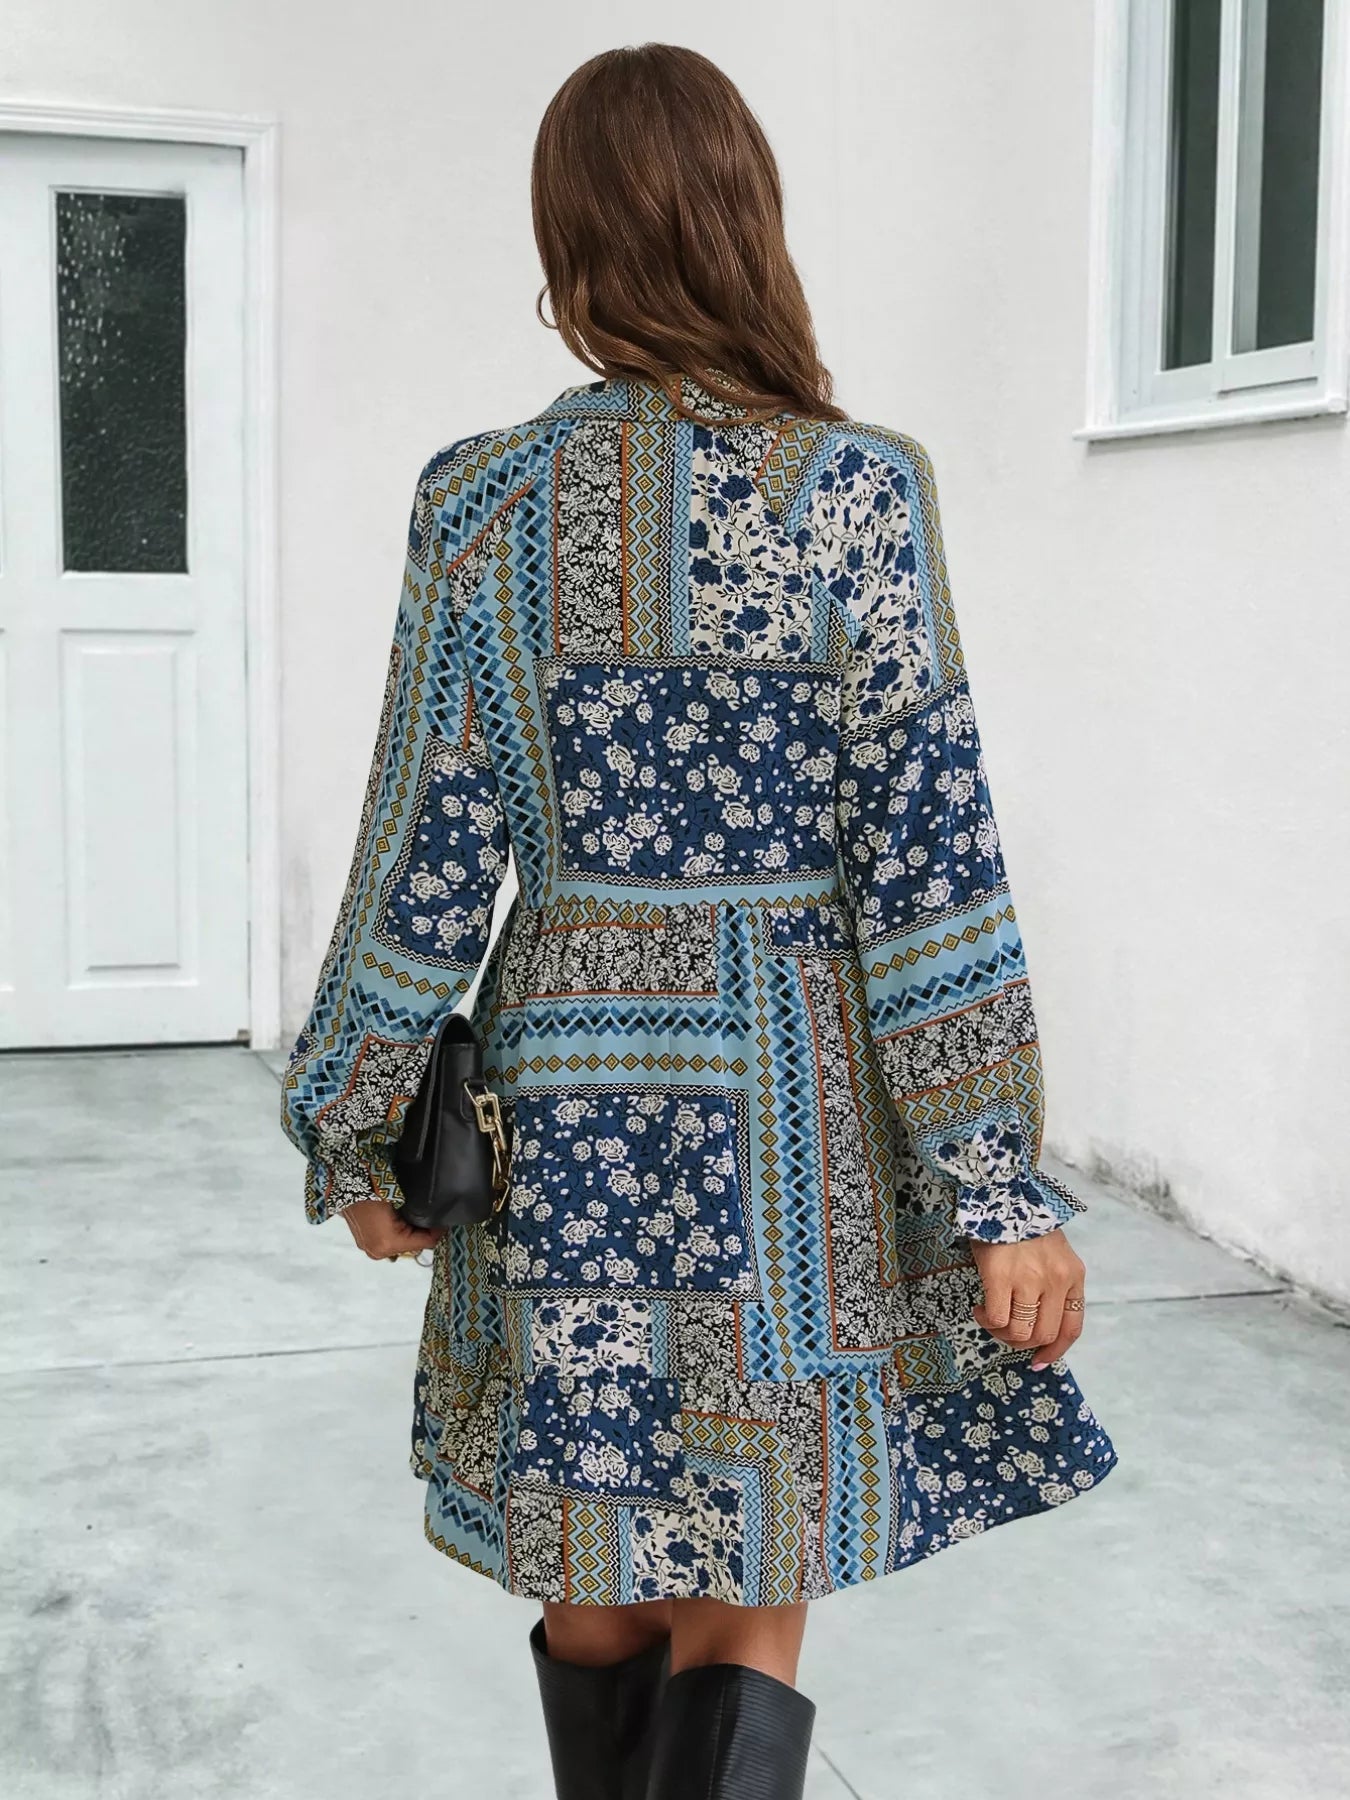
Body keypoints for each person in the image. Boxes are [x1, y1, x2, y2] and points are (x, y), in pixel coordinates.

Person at [280, 41, 1118, 1800]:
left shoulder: (479, 502)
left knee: (588, 1572)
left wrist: (360, 1123)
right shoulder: (856, 491)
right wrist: (989, 1184)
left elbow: (423, 843)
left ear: (567, 240)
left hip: (566, 1098)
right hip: (791, 1117)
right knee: (743, 1566)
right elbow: (926, 856)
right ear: (747, 220)